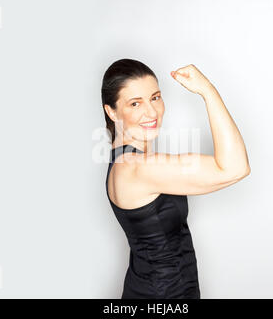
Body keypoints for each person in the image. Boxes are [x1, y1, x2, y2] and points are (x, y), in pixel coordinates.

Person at [101, 58, 250, 299]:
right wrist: (207, 91)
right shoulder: (140, 168)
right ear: (112, 111)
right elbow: (235, 167)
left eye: (155, 97)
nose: (151, 112)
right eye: (135, 103)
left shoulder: (123, 161)